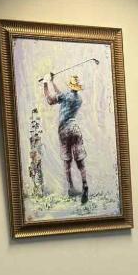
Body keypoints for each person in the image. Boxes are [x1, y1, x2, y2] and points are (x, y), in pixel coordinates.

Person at [41, 72, 88, 205]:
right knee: (80, 160)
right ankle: (85, 184)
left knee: (67, 160)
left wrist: (45, 83)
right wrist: (53, 82)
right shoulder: (78, 99)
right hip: (75, 129)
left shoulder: (66, 96)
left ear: (70, 86)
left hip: (64, 130)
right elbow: (61, 96)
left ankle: (71, 188)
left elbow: (50, 100)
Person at [27, 105, 45, 196]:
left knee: (38, 170)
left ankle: (40, 189)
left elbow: (38, 136)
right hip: (34, 153)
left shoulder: (37, 138)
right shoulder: (32, 137)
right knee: (34, 170)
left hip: (37, 153)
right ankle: (36, 188)